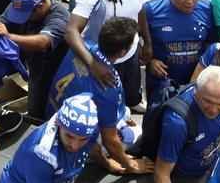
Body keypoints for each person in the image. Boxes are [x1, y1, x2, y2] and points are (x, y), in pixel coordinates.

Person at [47, 16, 154, 174]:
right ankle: (95, 159)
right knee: (136, 135)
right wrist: (130, 166)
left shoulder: (81, 46)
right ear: (123, 51)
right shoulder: (109, 85)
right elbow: (110, 141)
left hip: (53, 111)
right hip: (71, 132)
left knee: (125, 113)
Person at [65, 0, 153, 109]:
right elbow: (71, 31)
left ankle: (133, 102)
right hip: (102, 58)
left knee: (131, 92)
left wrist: (147, 42)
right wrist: (93, 64)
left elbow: (141, 10)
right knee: (106, 106)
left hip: (131, 52)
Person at [0, 0, 70, 122]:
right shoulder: (21, 3)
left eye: (25, 16)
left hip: (55, 72)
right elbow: (2, 20)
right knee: (34, 106)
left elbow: (43, 42)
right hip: (34, 66)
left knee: (47, 111)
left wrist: (9, 36)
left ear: (40, 6)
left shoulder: (60, 16)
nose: (23, 19)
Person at [143, 0, 213, 109]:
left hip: (195, 86)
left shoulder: (207, 9)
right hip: (161, 87)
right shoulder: (151, 10)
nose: (190, 1)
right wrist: (150, 62)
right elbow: (134, 44)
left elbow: (212, 45)